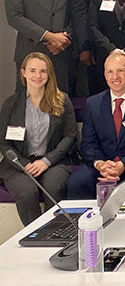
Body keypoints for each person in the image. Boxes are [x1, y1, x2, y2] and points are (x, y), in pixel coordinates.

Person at [67, 49, 125, 199]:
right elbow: (88, 144)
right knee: (77, 183)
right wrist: (101, 165)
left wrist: (122, 164)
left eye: (120, 71)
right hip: (103, 164)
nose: (115, 77)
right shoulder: (93, 103)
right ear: (105, 75)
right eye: (110, 72)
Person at [0, 53, 77, 225]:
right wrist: (23, 164)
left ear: (49, 74)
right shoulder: (11, 104)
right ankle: (36, 235)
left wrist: (46, 161)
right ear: (23, 73)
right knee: (27, 192)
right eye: (32, 70)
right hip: (18, 165)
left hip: (54, 162)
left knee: (53, 187)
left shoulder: (62, 101)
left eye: (43, 71)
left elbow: (70, 136)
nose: (38, 75)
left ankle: (57, 232)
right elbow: (4, 143)